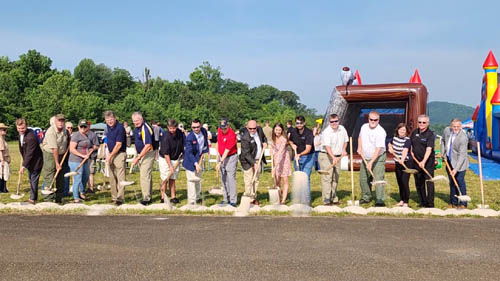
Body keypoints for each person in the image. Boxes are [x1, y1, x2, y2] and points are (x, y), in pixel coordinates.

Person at [357, 111, 387, 206]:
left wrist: (371, 162)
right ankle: (366, 197)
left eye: (375, 120)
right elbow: (360, 137)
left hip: (378, 157)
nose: (373, 121)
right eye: (371, 119)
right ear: (368, 119)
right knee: (363, 178)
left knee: (378, 178)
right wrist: (359, 147)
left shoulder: (381, 132)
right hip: (365, 156)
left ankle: (380, 200)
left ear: (378, 120)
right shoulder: (364, 127)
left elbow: (378, 149)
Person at [319, 114, 348, 205]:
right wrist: (333, 157)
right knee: (328, 178)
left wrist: (343, 149)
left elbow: (346, 141)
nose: (334, 123)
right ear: (329, 122)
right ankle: (326, 199)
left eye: (336, 121)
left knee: (335, 177)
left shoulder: (342, 129)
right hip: (326, 155)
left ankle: (334, 197)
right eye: (332, 122)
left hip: (338, 155)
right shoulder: (326, 132)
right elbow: (327, 147)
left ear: (339, 121)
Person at [40, 114, 70, 203]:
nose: (60, 122)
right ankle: (48, 198)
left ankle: (59, 198)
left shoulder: (65, 130)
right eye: (59, 120)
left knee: (61, 176)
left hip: (62, 154)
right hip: (50, 154)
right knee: (50, 174)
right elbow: (54, 148)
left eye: (62, 121)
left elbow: (68, 140)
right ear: (55, 121)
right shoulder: (50, 132)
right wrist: (57, 163)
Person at [440, 118, 469, 209]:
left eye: (457, 127)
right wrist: (443, 153)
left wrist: (455, 169)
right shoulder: (447, 130)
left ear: (460, 127)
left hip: (460, 163)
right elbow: (443, 141)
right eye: (454, 126)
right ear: (451, 126)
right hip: (449, 160)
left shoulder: (463, 138)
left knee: (460, 182)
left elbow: (462, 155)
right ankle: (453, 202)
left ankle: (463, 203)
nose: (455, 128)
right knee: (452, 182)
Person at [132, 112, 157, 205]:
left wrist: (138, 158)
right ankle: (148, 195)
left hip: (148, 153)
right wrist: (136, 154)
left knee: (144, 175)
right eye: (134, 121)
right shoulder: (137, 128)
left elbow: (147, 145)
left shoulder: (145, 128)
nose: (136, 123)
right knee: (145, 175)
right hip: (142, 153)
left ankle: (146, 198)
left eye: (137, 120)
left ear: (142, 119)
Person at [410, 114, 436, 208]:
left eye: (424, 122)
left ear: (428, 123)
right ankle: (422, 201)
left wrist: (424, 161)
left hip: (427, 162)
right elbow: (411, 143)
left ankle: (430, 203)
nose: (421, 124)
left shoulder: (430, 134)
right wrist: (411, 152)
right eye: (419, 122)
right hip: (416, 161)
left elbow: (429, 149)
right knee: (419, 182)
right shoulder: (414, 132)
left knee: (429, 182)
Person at [239, 120, 267, 205]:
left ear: (257, 126)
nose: (252, 130)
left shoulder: (259, 130)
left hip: (258, 159)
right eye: (250, 128)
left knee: (256, 179)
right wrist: (254, 163)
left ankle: (253, 198)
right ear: (247, 128)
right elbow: (246, 154)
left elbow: (264, 137)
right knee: (249, 180)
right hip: (247, 161)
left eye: (254, 128)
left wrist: (265, 142)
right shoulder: (245, 138)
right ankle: (248, 198)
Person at [288, 115, 315, 203]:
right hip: (297, 156)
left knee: (305, 177)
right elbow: (289, 140)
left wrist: (299, 154)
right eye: (297, 123)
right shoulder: (293, 131)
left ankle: (306, 200)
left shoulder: (309, 133)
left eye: (300, 123)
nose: (299, 125)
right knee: (298, 176)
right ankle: (299, 198)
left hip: (308, 156)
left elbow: (308, 149)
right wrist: (292, 144)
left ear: (304, 123)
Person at [16, 118, 43, 204]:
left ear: (26, 126)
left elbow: (29, 153)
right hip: (29, 161)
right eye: (19, 128)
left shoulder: (31, 137)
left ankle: (32, 199)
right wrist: (24, 161)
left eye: (23, 128)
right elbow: (22, 149)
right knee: (31, 179)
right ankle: (33, 196)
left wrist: (23, 166)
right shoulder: (21, 135)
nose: (21, 130)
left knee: (33, 179)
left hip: (36, 162)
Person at [183, 119, 209, 205]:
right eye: (194, 127)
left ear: (200, 125)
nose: (196, 129)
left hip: (199, 157)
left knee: (198, 179)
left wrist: (204, 152)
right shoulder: (189, 138)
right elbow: (189, 153)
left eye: (197, 127)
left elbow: (205, 142)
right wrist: (195, 164)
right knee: (191, 180)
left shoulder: (204, 131)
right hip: (190, 160)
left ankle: (197, 197)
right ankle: (191, 200)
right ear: (191, 127)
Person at [159, 119, 185, 204]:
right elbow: (166, 153)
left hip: (176, 158)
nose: (172, 130)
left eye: (174, 128)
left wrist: (183, 154)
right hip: (165, 159)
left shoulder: (180, 133)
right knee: (165, 178)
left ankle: (173, 197)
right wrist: (170, 166)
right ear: (168, 127)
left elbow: (183, 144)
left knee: (172, 179)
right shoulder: (165, 137)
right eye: (170, 128)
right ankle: (163, 197)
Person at [104, 110, 127, 206]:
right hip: (111, 153)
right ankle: (114, 197)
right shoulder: (108, 128)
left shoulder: (120, 128)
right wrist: (108, 154)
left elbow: (118, 145)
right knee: (112, 177)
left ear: (115, 118)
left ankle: (120, 198)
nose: (109, 121)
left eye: (111, 119)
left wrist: (110, 156)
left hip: (119, 154)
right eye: (107, 119)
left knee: (120, 176)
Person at [68, 120, 93, 203]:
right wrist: (82, 155)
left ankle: (82, 192)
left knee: (85, 177)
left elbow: (89, 146)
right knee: (77, 178)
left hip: (85, 160)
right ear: (78, 127)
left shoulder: (87, 136)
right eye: (81, 126)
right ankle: (76, 198)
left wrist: (91, 149)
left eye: (84, 126)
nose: (83, 128)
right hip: (75, 160)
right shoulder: (76, 135)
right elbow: (71, 149)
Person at [215, 118, 238, 207]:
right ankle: (225, 198)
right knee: (223, 178)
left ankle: (233, 200)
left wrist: (220, 162)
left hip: (231, 157)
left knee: (230, 178)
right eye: (222, 128)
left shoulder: (232, 135)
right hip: (221, 156)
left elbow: (227, 151)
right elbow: (218, 142)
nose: (223, 130)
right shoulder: (220, 130)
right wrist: (218, 157)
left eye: (225, 128)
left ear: (228, 125)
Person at [388, 123, 411, 207]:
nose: (402, 131)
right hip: (397, 163)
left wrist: (402, 159)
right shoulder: (394, 138)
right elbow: (390, 144)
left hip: (406, 163)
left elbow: (405, 150)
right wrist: (390, 148)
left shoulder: (407, 140)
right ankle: (401, 200)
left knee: (405, 182)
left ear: (406, 132)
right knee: (400, 182)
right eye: (400, 129)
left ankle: (406, 201)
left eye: (404, 130)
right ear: (398, 130)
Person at [270, 122, 291, 204]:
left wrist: (275, 167)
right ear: (274, 130)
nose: (278, 131)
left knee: (285, 180)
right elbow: (272, 147)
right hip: (276, 160)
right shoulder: (273, 138)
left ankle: (283, 200)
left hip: (284, 160)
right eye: (276, 130)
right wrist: (271, 149)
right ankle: (278, 198)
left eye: (279, 130)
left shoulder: (284, 139)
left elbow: (281, 152)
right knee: (277, 180)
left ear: (282, 130)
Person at [86, 122, 100, 193]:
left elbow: (97, 145)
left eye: (88, 125)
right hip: (82, 157)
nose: (86, 127)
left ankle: (90, 188)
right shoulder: (80, 134)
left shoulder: (93, 135)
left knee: (90, 172)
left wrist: (92, 149)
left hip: (91, 157)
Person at [63, 122, 73, 196]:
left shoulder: (74, 136)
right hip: (62, 157)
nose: (70, 129)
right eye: (68, 127)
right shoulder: (63, 135)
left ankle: (66, 191)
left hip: (70, 158)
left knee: (68, 174)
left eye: (71, 128)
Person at [0, 123, 11, 193]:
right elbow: (0, 151)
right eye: (4, 129)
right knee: (2, 174)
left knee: (4, 174)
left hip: (3, 159)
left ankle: (4, 188)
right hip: (2, 159)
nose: (5, 131)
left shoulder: (2, 138)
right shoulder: (0, 139)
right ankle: (2, 189)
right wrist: (2, 160)